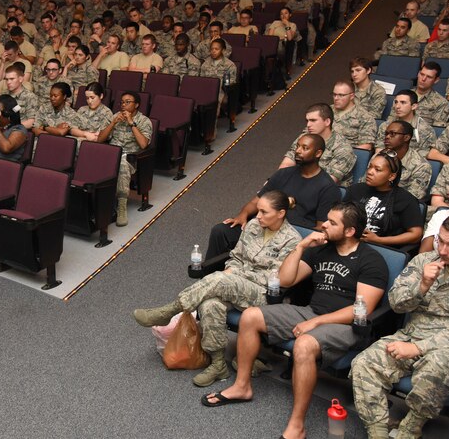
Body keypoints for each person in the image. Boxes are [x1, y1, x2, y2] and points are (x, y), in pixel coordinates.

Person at [204, 202, 388, 439]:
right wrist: (301, 246)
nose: (324, 225)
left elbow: (361, 310)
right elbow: (285, 280)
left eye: (332, 223)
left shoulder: (371, 260)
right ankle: (242, 386)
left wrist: (317, 323)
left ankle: (297, 425)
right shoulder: (320, 249)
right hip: (312, 312)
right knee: (250, 316)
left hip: (346, 325)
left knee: (304, 344)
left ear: (350, 231)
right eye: (326, 219)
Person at [351, 213, 449, 439]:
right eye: (440, 241)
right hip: (411, 334)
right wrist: (422, 285)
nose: (442, 250)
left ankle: (409, 430)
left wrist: (418, 348)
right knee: (364, 363)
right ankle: (378, 431)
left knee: (437, 366)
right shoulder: (423, 262)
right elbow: (396, 304)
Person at [134, 190, 301, 386]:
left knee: (221, 280)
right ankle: (218, 364)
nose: (258, 216)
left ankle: (169, 311)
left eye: (264, 212)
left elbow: (274, 277)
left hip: (263, 294)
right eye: (258, 210)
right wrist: (232, 271)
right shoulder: (254, 225)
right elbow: (236, 257)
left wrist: (235, 275)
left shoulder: (292, 240)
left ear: (281, 213)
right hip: (236, 286)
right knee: (210, 304)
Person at [213, 133, 342, 259]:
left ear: (318, 153)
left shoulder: (328, 187)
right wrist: (243, 214)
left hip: (291, 238)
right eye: (297, 146)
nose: (298, 151)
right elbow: (255, 202)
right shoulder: (283, 174)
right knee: (221, 231)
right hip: (262, 226)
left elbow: (321, 228)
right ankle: (212, 271)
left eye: (305, 148)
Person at [345, 150, 424, 248]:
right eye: (370, 167)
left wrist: (379, 240)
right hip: (348, 241)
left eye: (377, 170)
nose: (370, 172)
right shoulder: (355, 189)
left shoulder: (405, 199)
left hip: (380, 249)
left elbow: (416, 234)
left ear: (391, 176)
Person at [97, 91, 152, 226]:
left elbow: (143, 144)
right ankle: (95, 202)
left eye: (128, 102)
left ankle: (121, 206)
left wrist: (131, 123)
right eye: (122, 102)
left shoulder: (144, 121)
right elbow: (100, 139)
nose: (123, 105)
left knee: (121, 164)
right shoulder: (115, 116)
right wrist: (113, 123)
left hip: (130, 158)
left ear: (136, 105)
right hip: (111, 154)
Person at [279, 104, 356, 186]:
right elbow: (287, 164)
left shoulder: (343, 148)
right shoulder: (305, 137)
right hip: (300, 182)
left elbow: (326, 183)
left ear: (327, 122)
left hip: (327, 190)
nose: (308, 125)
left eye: (313, 120)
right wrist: (278, 181)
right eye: (307, 121)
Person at [377, 120, 433, 201]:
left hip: (398, 205)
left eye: (392, 134)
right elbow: (365, 185)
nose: (387, 137)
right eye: (386, 133)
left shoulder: (421, 166)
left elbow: (411, 199)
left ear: (406, 137)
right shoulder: (379, 157)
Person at [376, 89, 436, 155]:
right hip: (387, 159)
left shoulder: (425, 129)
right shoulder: (386, 125)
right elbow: (379, 151)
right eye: (396, 102)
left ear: (414, 106)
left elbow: (424, 156)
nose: (397, 106)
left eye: (403, 102)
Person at [330, 80, 377, 150]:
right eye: (334, 94)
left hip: (346, 154)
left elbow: (365, 147)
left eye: (341, 95)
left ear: (351, 96)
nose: (336, 98)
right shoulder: (326, 111)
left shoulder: (365, 117)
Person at [411, 62, 449, 127]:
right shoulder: (404, 96)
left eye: (429, 77)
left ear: (436, 80)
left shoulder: (441, 103)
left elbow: (437, 129)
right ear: (418, 74)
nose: (423, 79)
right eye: (422, 74)